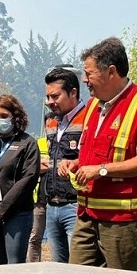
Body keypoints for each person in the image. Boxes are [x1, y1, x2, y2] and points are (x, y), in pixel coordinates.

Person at [59, 37, 137, 271]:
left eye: (89, 74)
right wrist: (76, 164)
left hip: (123, 216)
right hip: (88, 213)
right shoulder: (91, 106)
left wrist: (100, 171)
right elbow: (96, 155)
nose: (85, 80)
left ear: (111, 72)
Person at [0, 95, 40, 264]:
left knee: (14, 266)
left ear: (15, 116)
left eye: (4, 116)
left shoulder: (27, 143)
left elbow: (28, 179)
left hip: (17, 213)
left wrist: (3, 207)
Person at [41, 67, 89, 262]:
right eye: (48, 97)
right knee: (57, 270)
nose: (50, 102)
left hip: (76, 205)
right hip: (52, 205)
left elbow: (96, 158)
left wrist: (77, 163)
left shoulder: (90, 118)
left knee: (79, 267)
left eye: (55, 96)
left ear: (73, 93)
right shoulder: (50, 121)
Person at [27, 133, 50, 263]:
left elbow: (67, 165)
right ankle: (33, 265)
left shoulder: (64, 142)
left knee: (58, 239)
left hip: (57, 200)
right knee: (34, 237)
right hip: (38, 201)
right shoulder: (38, 143)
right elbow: (33, 166)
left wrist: (47, 164)